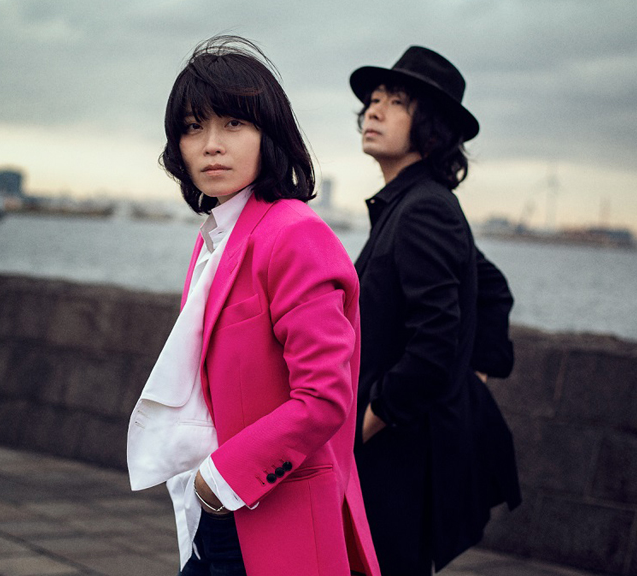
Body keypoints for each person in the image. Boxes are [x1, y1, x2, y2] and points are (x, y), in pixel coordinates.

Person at [127, 36, 381, 576]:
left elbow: (324, 397)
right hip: (218, 515)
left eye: (233, 124)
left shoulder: (295, 234)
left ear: (271, 134)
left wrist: (218, 479)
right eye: (193, 127)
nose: (211, 145)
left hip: (271, 515)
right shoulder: (217, 234)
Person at [349, 46, 522, 574]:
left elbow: (434, 346)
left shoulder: (424, 208)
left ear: (430, 126)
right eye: (374, 99)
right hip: (397, 450)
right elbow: (491, 288)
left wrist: (365, 424)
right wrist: (472, 371)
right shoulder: (411, 203)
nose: (374, 110)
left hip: (398, 455)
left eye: (396, 102)